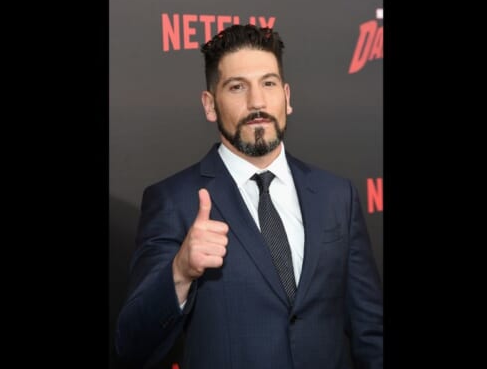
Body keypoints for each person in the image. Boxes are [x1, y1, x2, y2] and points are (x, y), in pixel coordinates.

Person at [115, 24, 383, 368]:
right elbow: (131, 345)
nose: (257, 102)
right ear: (210, 105)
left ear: (287, 97)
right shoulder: (174, 201)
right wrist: (180, 271)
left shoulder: (336, 195)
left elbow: (370, 332)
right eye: (237, 87)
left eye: (268, 84)